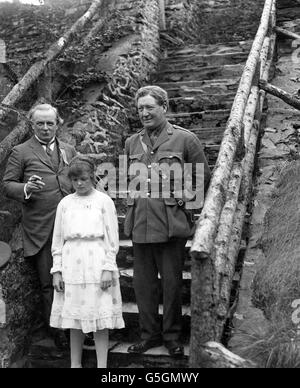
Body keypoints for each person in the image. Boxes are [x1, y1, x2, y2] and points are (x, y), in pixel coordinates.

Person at [124, 85, 211, 357]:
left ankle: (172, 336)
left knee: (172, 284)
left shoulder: (186, 140)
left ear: (165, 107)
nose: (144, 113)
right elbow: (128, 179)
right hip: (140, 223)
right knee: (143, 284)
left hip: (172, 223)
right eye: (140, 109)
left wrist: (181, 202)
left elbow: (202, 179)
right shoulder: (131, 142)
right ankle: (148, 335)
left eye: (150, 107)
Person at [3, 103, 77, 349]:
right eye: (40, 123)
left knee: (76, 278)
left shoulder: (69, 149)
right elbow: (7, 185)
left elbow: (80, 179)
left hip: (72, 225)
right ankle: (57, 331)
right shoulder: (21, 151)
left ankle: (79, 326)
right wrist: (26, 188)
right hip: (41, 228)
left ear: (58, 124)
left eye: (50, 123)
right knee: (49, 283)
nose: (45, 128)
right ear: (32, 124)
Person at [49, 155, 124, 368]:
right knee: (75, 318)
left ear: (92, 177)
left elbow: (112, 237)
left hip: (97, 262)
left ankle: (102, 365)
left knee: (100, 317)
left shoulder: (103, 201)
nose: (79, 184)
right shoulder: (65, 203)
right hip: (72, 262)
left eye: (83, 179)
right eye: (75, 180)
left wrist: (109, 267)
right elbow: (58, 238)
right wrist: (57, 270)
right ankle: (75, 364)